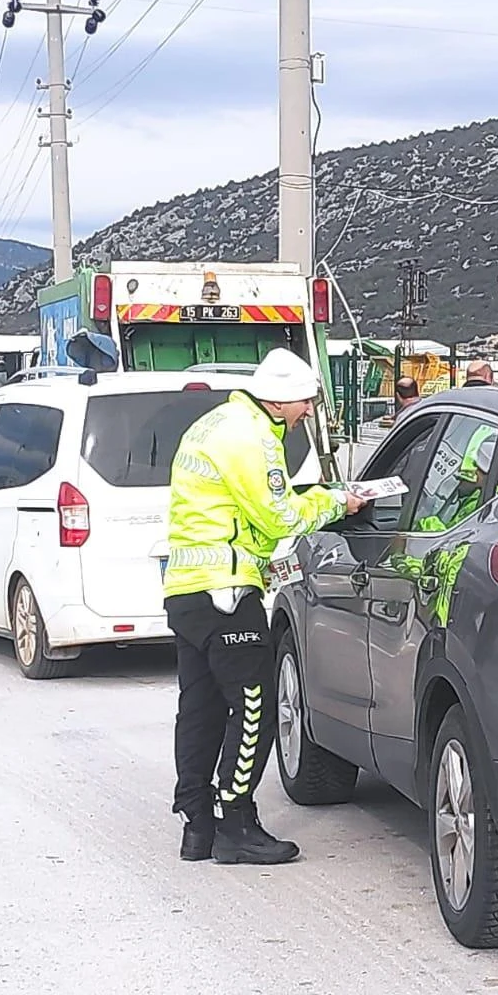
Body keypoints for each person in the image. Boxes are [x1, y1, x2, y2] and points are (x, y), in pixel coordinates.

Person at [163, 349, 368, 867]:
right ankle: (237, 824)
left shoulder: (214, 424)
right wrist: (334, 502)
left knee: (201, 707)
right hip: (227, 592)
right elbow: (277, 517)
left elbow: (239, 504)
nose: (307, 411)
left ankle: (198, 826)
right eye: (305, 402)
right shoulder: (253, 438)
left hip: (187, 590)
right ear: (279, 399)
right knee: (256, 705)